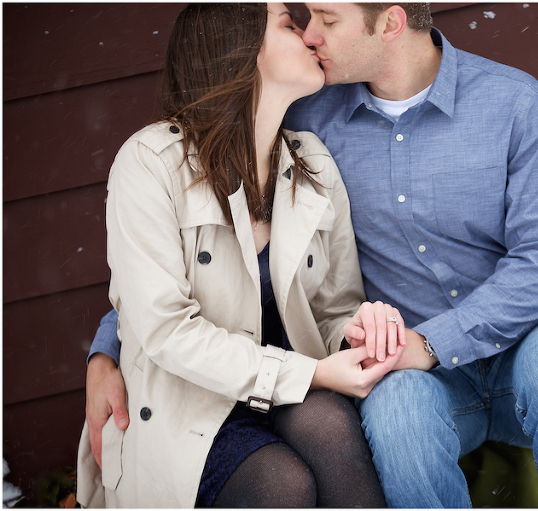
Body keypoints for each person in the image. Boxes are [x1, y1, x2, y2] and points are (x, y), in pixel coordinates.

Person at [85, 3, 538, 508]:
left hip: (513, 347)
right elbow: (171, 278)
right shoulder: (308, 115)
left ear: (390, 23)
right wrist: (108, 349)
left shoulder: (512, 104)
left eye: (326, 19)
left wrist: (421, 342)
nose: (311, 35)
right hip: (398, 372)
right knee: (395, 413)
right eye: (299, 22)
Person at [76, 3, 408, 508]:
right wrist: (312, 374)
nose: (310, 36)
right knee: (281, 484)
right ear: (239, 49)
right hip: (190, 404)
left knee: (330, 429)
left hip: (290, 390)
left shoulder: (312, 162)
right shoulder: (150, 164)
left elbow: (335, 306)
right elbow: (166, 329)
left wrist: (357, 333)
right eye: (290, 25)